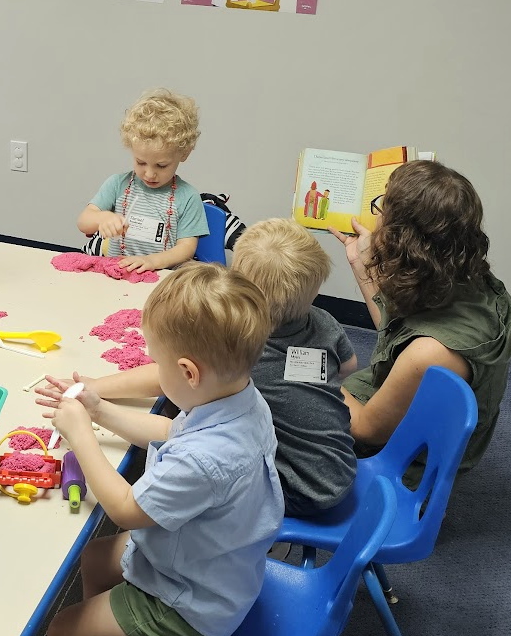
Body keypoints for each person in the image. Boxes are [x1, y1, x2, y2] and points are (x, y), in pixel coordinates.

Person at [8, 265, 282, 636]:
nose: (154, 369)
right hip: (207, 559)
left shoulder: (207, 459)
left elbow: (126, 509)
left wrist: (81, 435)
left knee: (62, 631)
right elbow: (168, 430)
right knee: (93, 559)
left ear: (187, 372)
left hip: (191, 601)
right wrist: (98, 406)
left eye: (157, 362)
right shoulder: (239, 400)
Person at [51, 219, 358, 517]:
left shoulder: (244, 351)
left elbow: (162, 383)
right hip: (341, 463)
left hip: (300, 487)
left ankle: (257, 526)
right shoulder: (322, 320)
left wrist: (97, 388)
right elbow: (348, 366)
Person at [330, 160, 511, 474]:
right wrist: (360, 261)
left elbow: (367, 429)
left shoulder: (431, 352)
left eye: (382, 211)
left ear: (404, 239)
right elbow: (397, 331)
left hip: (412, 461)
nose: (377, 220)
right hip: (425, 405)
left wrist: (311, 378)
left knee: (291, 413)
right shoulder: (462, 275)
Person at [78, 89, 210, 274]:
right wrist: (104, 218)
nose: (149, 173)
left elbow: (186, 248)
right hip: (116, 275)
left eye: (161, 165)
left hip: (161, 282)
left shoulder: (187, 197)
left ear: (184, 153)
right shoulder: (118, 185)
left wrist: (151, 261)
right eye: (140, 162)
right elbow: (83, 221)